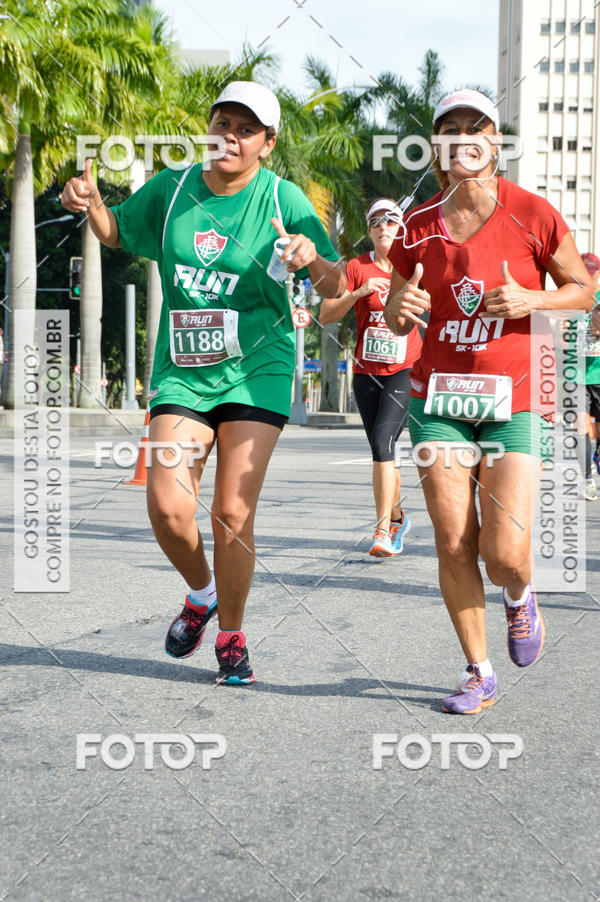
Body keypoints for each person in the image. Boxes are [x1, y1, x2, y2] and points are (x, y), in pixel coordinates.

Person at [61, 81, 344, 685]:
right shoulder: (174, 188)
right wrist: (91, 205)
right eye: (222, 123)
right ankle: (202, 592)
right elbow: (118, 233)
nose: (231, 137)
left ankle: (233, 637)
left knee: (232, 512)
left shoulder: (283, 198)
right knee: (166, 506)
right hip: (184, 371)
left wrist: (308, 258)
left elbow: (333, 286)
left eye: (246, 129)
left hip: (258, 368)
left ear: (267, 143)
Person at [383, 89, 594, 714]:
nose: (462, 137)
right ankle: (478, 672)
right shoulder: (417, 227)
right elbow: (397, 318)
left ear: (495, 143)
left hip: (514, 400)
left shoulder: (533, 213)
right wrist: (400, 311)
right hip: (438, 399)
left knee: (504, 553)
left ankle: (519, 595)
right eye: (448, 129)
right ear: (439, 149)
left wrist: (535, 300)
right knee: (453, 541)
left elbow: (583, 291)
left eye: (475, 127)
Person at [319, 199, 422, 556]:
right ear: (369, 230)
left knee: (382, 445)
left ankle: (382, 532)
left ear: (401, 228)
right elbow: (325, 315)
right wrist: (357, 293)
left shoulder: (413, 267)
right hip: (367, 373)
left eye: (391, 221)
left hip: (404, 369)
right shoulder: (356, 267)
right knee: (384, 453)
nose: (383, 227)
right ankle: (397, 517)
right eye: (376, 222)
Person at [574, 253, 600, 500]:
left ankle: (596, 459)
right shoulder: (572, 300)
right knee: (579, 427)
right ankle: (587, 479)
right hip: (578, 376)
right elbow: (562, 340)